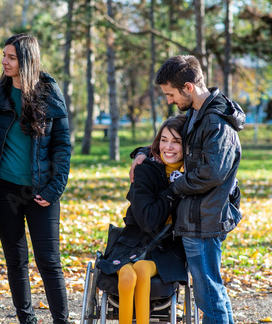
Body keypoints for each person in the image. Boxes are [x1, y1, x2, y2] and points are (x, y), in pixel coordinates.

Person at [131, 55, 245, 324]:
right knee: (211, 292)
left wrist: (175, 186)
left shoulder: (216, 122)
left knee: (209, 296)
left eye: (171, 94)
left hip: (204, 219)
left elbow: (211, 173)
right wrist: (141, 153)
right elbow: (170, 141)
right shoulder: (196, 114)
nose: (170, 101)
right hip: (195, 217)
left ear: (188, 88)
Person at [0, 34, 71, 324]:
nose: (4, 62)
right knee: (16, 261)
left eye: (11, 57)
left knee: (49, 262)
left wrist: (55, 188)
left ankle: (61, 320)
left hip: (42, 190)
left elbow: (62, 145)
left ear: (27, 60)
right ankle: (27, 320)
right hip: (4, 191)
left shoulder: (49, 93)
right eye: (4, 56)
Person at [98, 115, 189, 324]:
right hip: (133, 241)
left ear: (187, 146)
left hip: (167, 248)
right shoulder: (146, 170)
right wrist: (173, 191)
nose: (169, 147)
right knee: (128, 274)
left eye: (176, 142)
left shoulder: (191, 175)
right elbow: (147, 220)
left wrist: (177, 186)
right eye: (164, 140)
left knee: (141, 269)